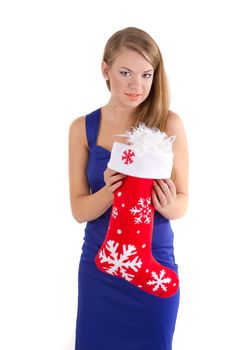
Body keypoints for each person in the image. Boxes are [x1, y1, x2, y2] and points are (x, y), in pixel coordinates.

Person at [68, 26, 189, 350]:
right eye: (126, 72)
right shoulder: (83, 128)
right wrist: (112, 189)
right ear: (105, 70)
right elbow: (79, 210)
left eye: (147, 74)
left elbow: (182, 203)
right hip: (100, 266)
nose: (137, 85)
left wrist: (166, 203)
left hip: (153, 260)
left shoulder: (168, 124)